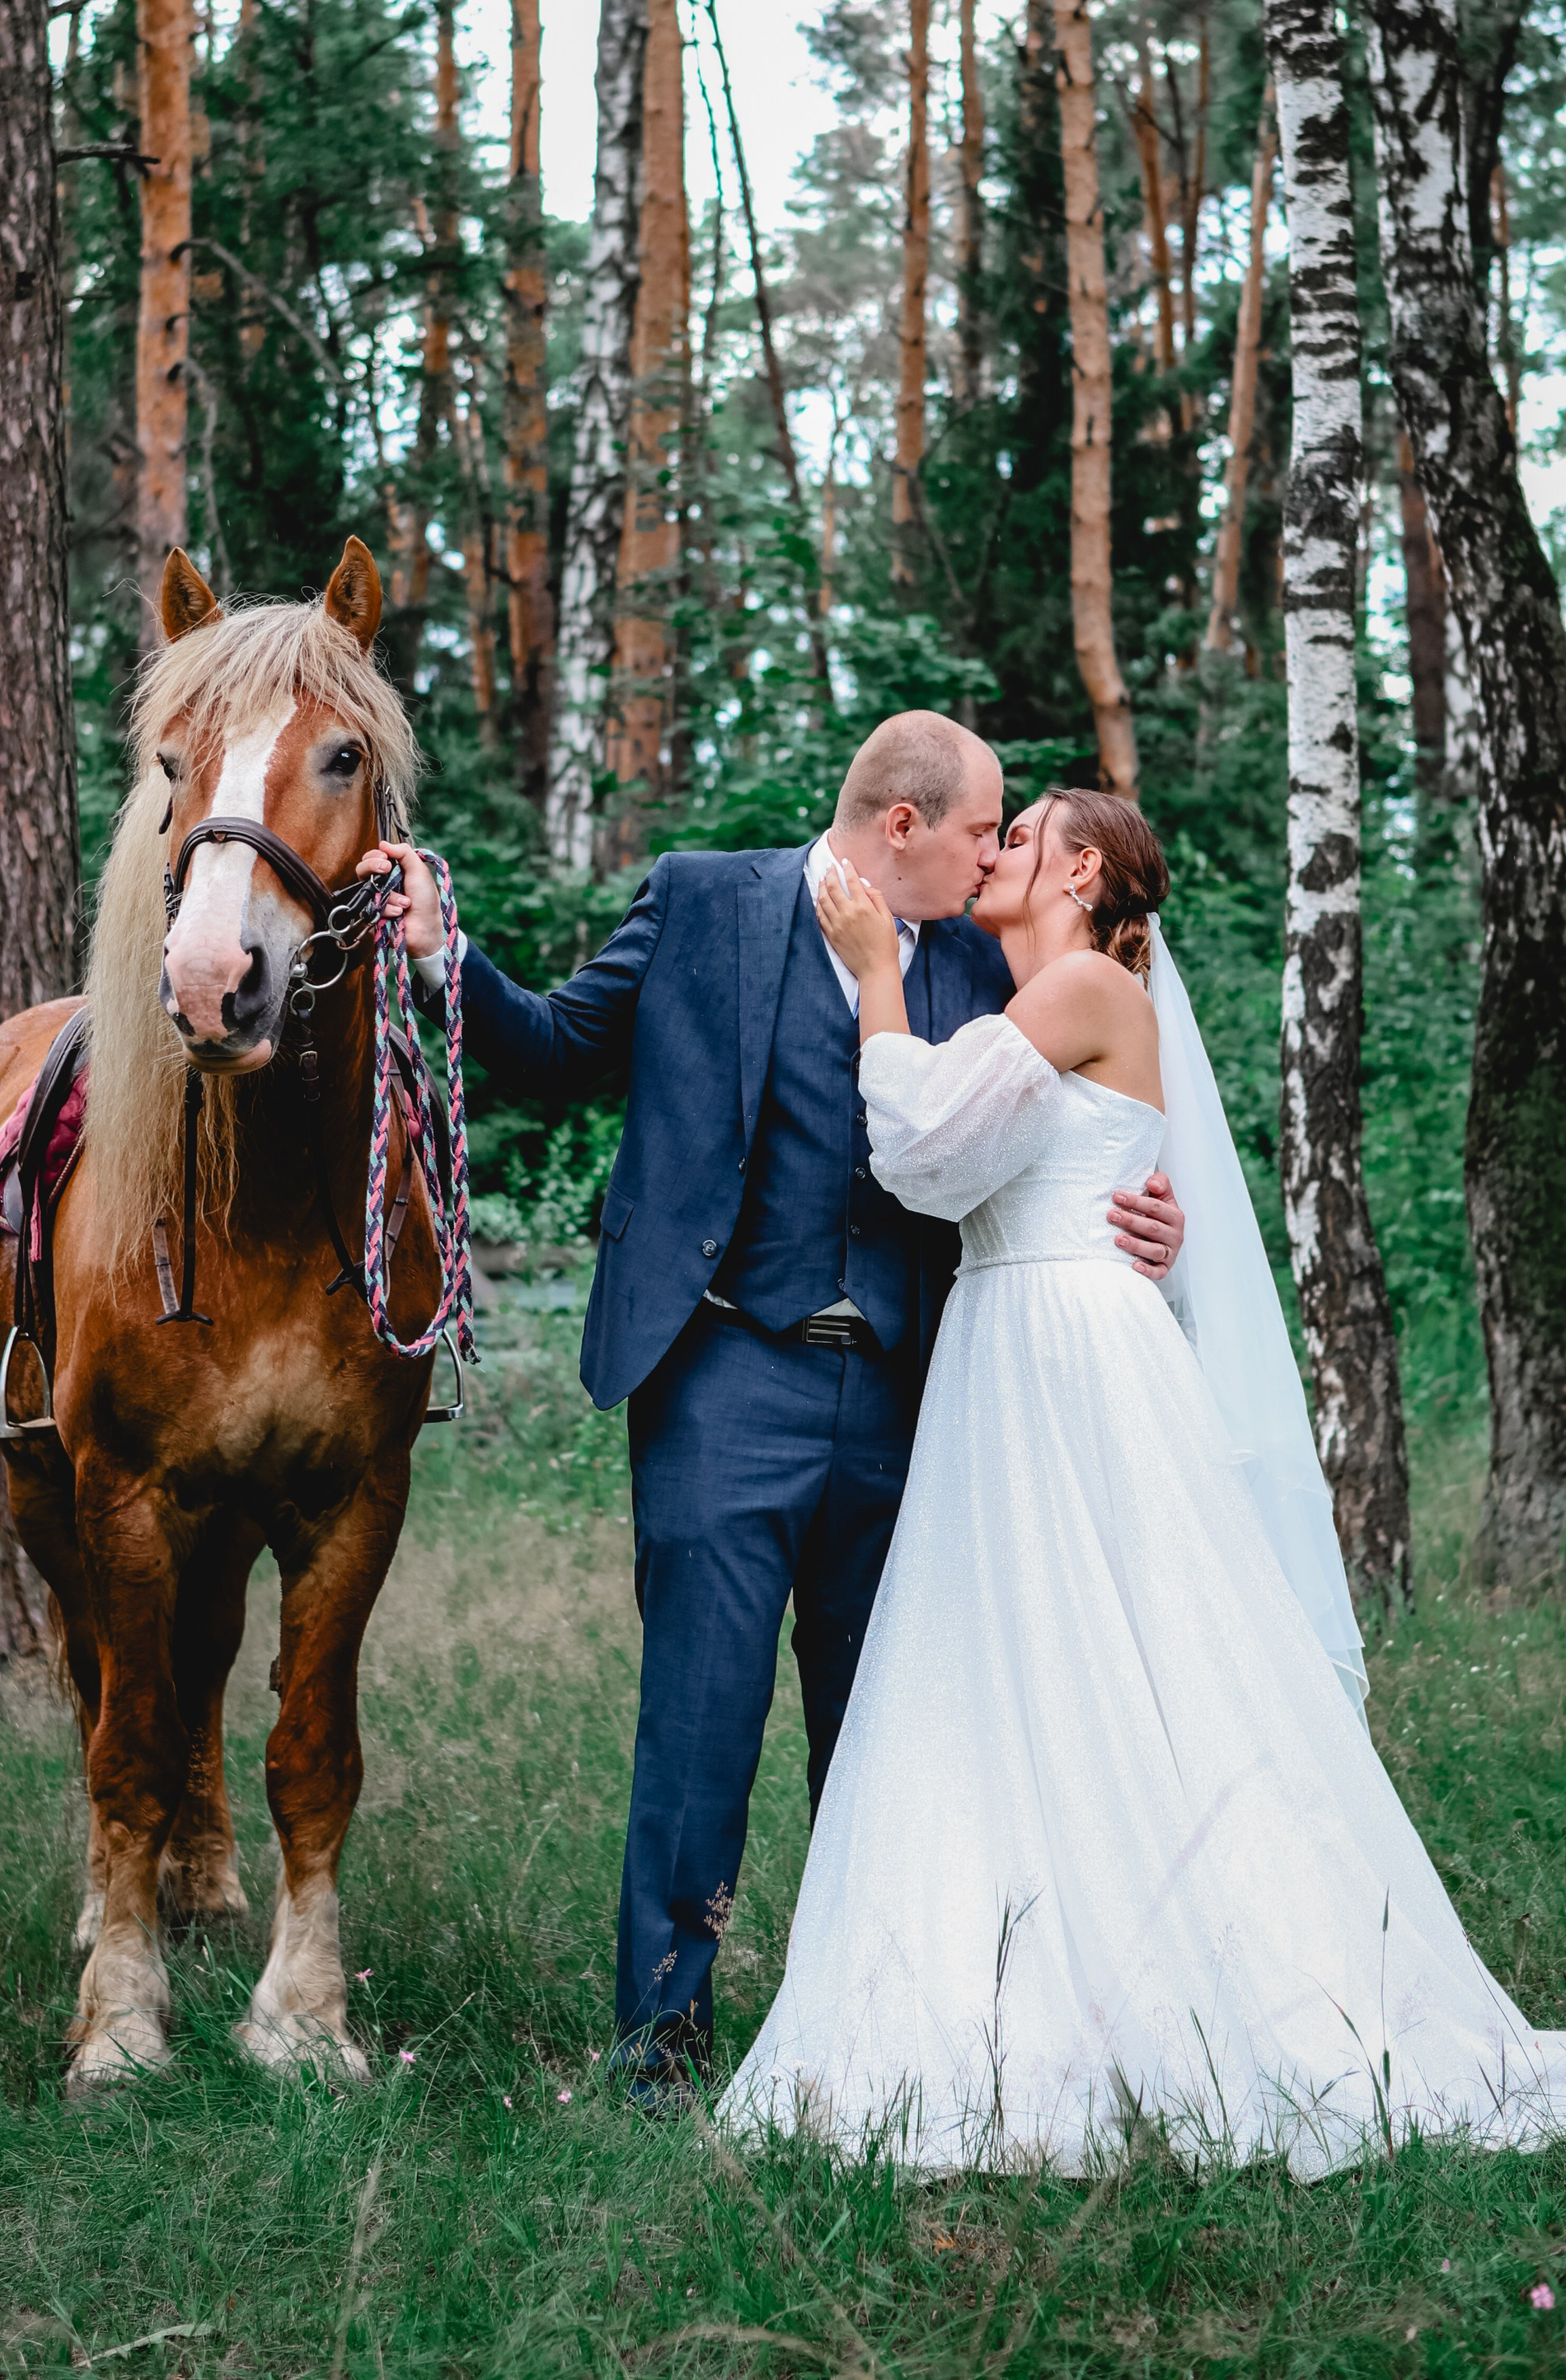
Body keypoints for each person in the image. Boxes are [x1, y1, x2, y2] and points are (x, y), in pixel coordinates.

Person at [717, 788, 1566, 2178]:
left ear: (1083, 871)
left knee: (1129, 1664)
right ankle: (1043, 1984)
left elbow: (916, 1151)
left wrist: (877, 975)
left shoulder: (1084, 980)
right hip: (1018, 1346)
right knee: (1026, 1668)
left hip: (1067, 1353)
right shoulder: (1056, 992)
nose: (999, 848)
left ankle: (1231, 1993)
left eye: (1021, 834)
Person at [359, 715, 1187, 2105]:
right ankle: (659, 2054)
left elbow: (1065, 1123)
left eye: (1008, 842)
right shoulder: (703, 899)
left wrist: (1137, 1216)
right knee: (701, 1721)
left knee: (895, 1722)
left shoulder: (997, 955)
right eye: (980, 832)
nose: (996, 860)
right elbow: (557, 1047)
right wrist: (446, 950)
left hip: (926, 1395)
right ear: (903, 827)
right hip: (727, 1374)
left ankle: (889, 2033)